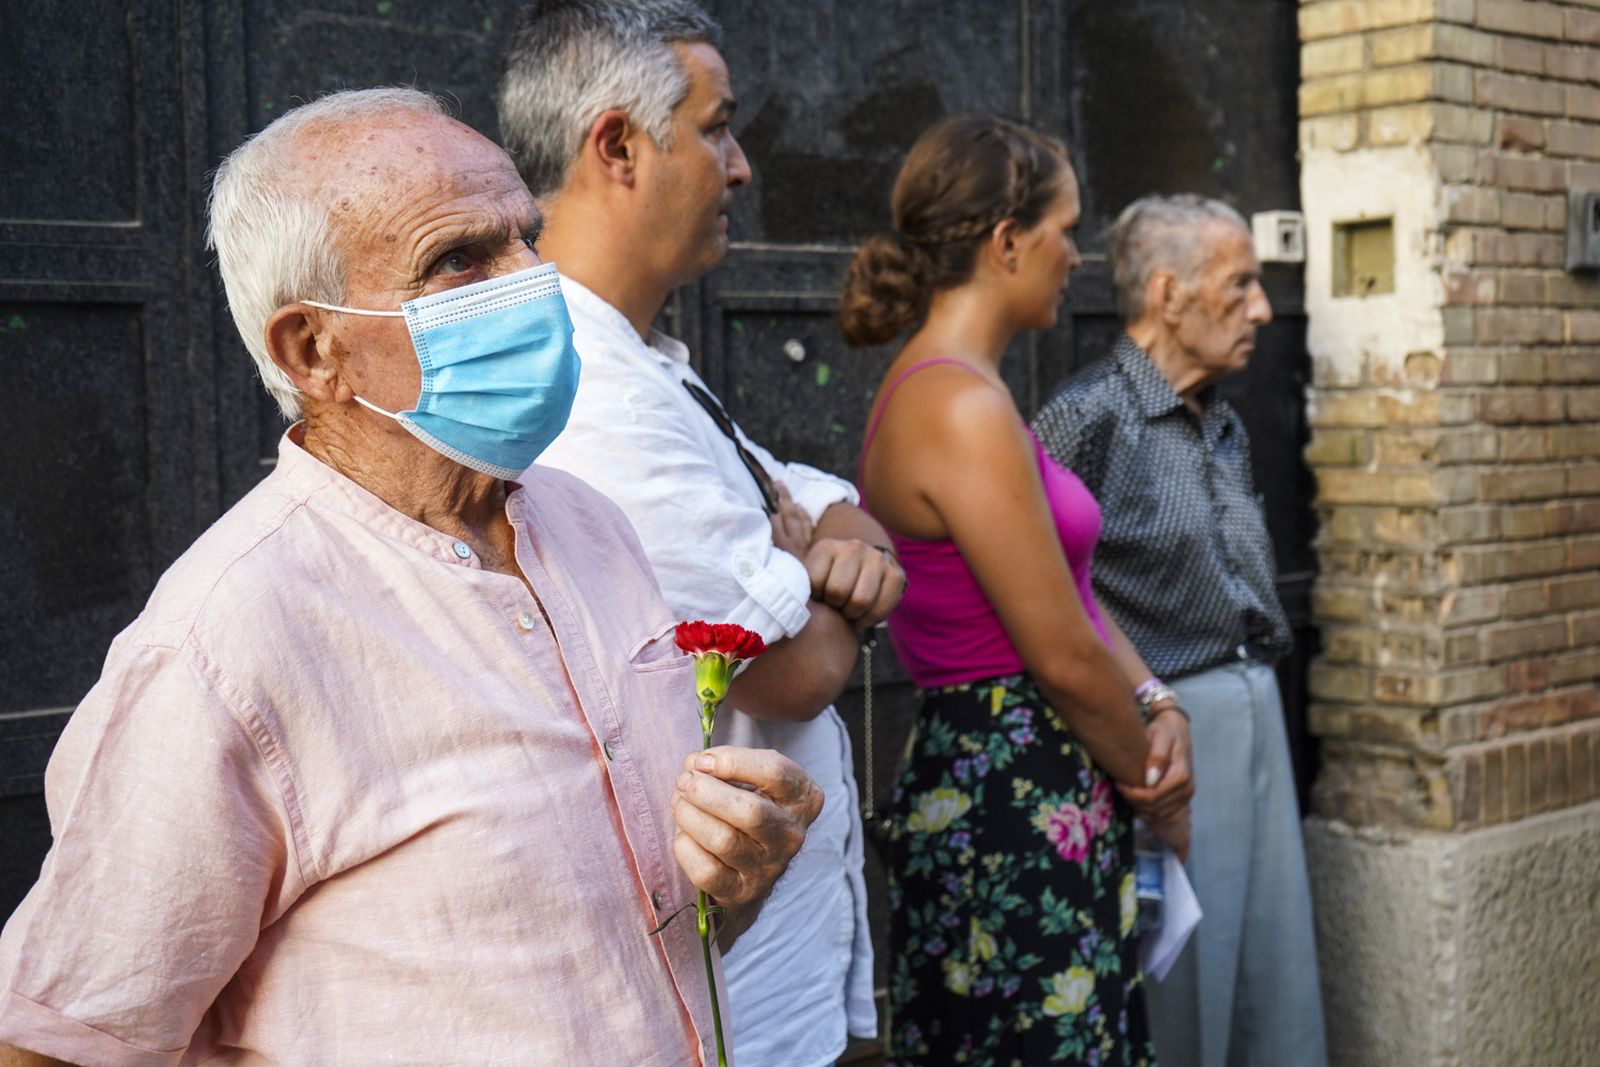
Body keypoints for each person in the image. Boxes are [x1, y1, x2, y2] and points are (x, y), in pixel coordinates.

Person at [0, 88, 823, 1067]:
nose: (536, 280)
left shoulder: (588, 525)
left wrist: (739, 871)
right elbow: (61, 1039)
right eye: (461, 259)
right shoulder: (225, 643)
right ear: (316, 350)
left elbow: (644, 937)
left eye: (525, 236)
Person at [495, 4, 899, 1065]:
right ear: (618, 146)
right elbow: (797, 668)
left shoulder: (641, 360)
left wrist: (826, 538)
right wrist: (830, 587)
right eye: (718, 128)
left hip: (763, 982)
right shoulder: (590, 394)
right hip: (721, 1014)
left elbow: (805, 486)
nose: (742, 167)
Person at [841, 115, 1194, 1067]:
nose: (1076, 253)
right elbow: (1062, 652)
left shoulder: (970, 393)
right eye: (1064, 228)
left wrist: (1157, 698)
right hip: (1011, 783)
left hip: (1034, 772)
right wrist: (1157, 787)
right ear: (1006, 241)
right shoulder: (957, 406)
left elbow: (1072, 594)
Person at [1031, 193, 1327, 1067]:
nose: (1263, 311)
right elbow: (1043, 585)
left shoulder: (1221, 418)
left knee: (1276, 971)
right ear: (1167, 295)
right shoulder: (1084, 417)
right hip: (1164, 732)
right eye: (1239, 287)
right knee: (1183, 977)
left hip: (1256, 708)